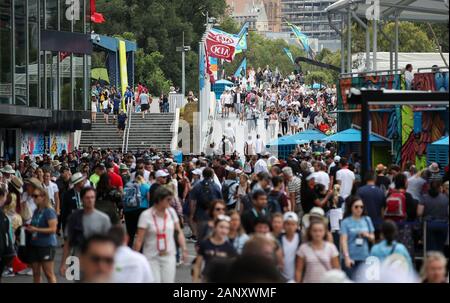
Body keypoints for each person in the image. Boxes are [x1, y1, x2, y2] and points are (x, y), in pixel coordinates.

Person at [133, 187, 187, 283]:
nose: (170, 202)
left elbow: (179, 232)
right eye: (168, 200)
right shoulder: (146, 215)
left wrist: (184, 249)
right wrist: (135, 258)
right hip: (151, 257)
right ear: (159, 199)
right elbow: (139, 239)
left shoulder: (171, 212)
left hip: (169, 255)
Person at [61, 187, 112, 277]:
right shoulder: (74, 218)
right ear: (82, 199)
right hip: (77, 259)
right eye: (87, 197)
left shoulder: (103, 219)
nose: (90, 200)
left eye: (92, 197)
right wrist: (64, 263)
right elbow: (68, 242)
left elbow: (109, 244)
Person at [26, 185, 58, 283]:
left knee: (48, 273)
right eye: (33, 196)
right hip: (35, 245)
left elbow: (53, 229)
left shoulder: (49, 211)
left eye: (36, 196)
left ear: (43, 197)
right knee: (36, 273)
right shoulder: (36, 211)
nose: (33, 198)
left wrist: (36, 229)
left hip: (46, 245)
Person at [193, 214, 237, 282]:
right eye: (221, 227)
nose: (224, 231)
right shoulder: (205, 244)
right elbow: (197, 265)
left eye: (227, 228)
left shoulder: (230, 248)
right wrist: (195, 281)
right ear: (215, 227)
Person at [340, 196, 375, 279]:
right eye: (356, 207)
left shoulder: (367, 219)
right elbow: (343, 241)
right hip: (350, 257)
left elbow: (373, 238)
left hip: (364, 257)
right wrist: (346, 257)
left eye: (361, 207)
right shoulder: (345, 222)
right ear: (351, 207)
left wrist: (366, 235)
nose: (359, 209)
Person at [189, 168, 222, 239]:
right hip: (213, 214)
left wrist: (192, 214)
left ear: (203, 175)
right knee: (213, 235)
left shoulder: (197, 186)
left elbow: (193, 202)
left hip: (200, 214)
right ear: (212, 175)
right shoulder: (216, 186)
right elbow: (220, 202)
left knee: (201, 235)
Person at [417, 180, 449, 253]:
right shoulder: (446, 198)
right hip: (443, 225)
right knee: (440, 247)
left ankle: (430, 262)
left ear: (429, 187)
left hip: (428, 225)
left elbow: (419, 212)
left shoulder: (424, 197)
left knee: (430, 248)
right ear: (440, 188)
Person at [123, 172, 150, 247]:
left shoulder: (128, 185)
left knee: (130, 232)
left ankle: (128, 249)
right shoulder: (146, 186)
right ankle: (140, 251)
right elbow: (149, 200)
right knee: (140, 232)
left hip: (128, 210)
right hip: (141, 210)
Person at [356, 171, 386, 236]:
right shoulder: (380, 191)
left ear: (365, 178)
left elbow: (356, 207)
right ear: (375, 178)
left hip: (363, 224)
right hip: (378, 223)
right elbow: (383, 209)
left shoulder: (360, 190)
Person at [278, 212, 302, 282]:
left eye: (293, 224)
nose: (290, 227)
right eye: (287, 224)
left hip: (297, 277)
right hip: (281, 277)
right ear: (283, 225)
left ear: (297, 225)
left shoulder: (302, 239)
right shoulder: (278, 240)